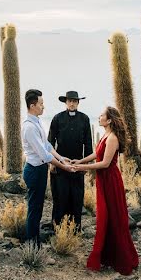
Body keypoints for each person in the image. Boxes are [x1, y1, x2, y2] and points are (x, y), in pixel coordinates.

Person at [73, 106, 139, 275]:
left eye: (102, 115)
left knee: (112, 216)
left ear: (109, 120)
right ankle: (108, 256)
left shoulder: (112, 138)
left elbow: (105, 164)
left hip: (110, 180)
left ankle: (119, 258)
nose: (99, 117)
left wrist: (82, 168)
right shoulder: (106, 135)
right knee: (105, 217)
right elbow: (97, 154)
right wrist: (79, 161)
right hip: (104, 180)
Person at [21, 89, 74, 247]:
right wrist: (64, 167)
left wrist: (61, 158)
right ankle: (32, 244)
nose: (43, 107)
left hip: (40, 170)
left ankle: (35, 241)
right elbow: (44, 155)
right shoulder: (29, 127)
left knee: (38, 207)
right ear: (32, 105)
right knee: (34, 209)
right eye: (41, 104)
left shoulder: (37, 121)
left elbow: (47, 145)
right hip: (34, 171)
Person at [48, 90, 92, 231]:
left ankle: (75, 228)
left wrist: (86, 165)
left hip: (78, 164)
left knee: (77, 197)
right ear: (66, 102)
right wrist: (52, 162)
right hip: (61, 163)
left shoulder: (84, 119)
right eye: (69, 101)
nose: (72, 103)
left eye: (74, 101)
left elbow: (88, 143)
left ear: (78, 103)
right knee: (60, 196)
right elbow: (50, 142)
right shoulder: (57, 118)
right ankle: (58, 228)